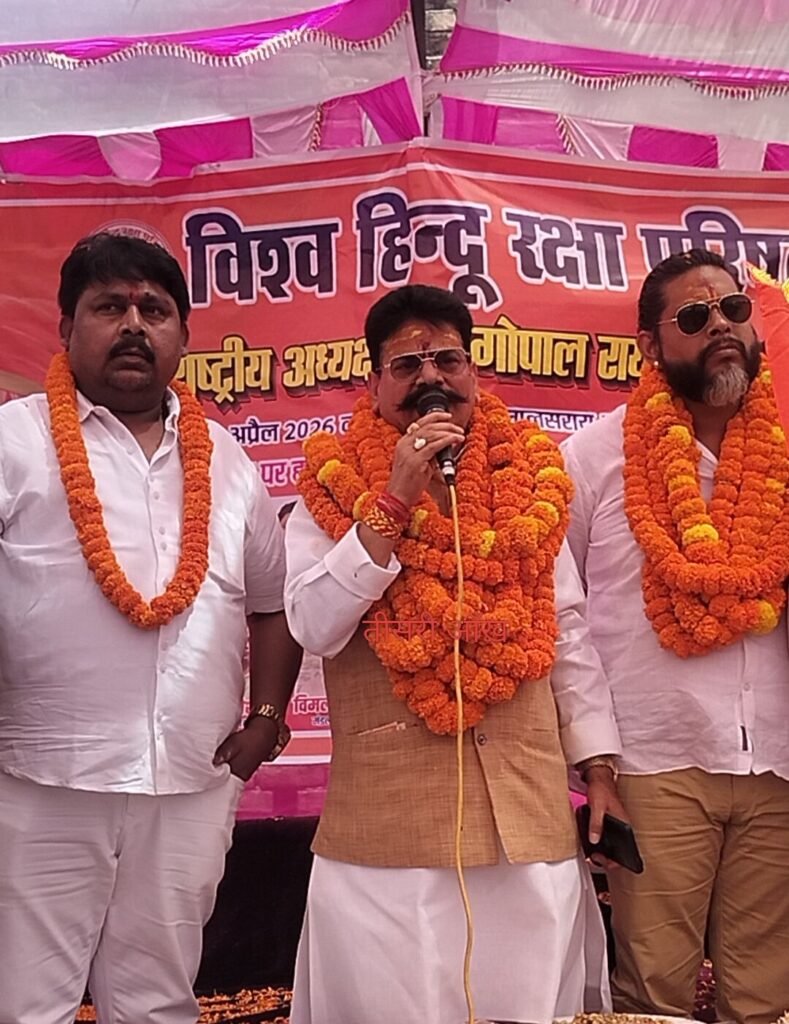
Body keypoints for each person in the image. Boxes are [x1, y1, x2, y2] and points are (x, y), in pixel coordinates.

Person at [284, 283, 624, 1024]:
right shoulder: (331, 487)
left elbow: (566, 632)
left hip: (525, 819)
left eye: (447, 360)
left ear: (473, 372)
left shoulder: (532, 482)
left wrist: (598, 767)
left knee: (529, 1003)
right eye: (406, 365)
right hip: (389, 831)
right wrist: (393, 500)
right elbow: (313, 624)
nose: (430, 378)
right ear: (374, 383)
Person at [0, 232, 302, 1024]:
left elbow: (271, 603)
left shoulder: (228, 461)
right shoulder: (13, 441)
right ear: (66, 328)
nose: (134, 325)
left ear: (183, 336)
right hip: (42, 778)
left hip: (192, 781)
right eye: (110, 307)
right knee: (27, 1002)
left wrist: (266, 719)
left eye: (154, 310)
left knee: (158, 1000)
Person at [561, 248, 789, 1024]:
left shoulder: (785, 450)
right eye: (695, 316)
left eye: (732, 310)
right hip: (654, 762)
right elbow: (562, 622)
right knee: (652, 996)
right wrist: (596, 763)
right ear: (650, 345)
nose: (720, 326)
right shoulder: (592, 458)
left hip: (777, 762)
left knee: (766, 1000)